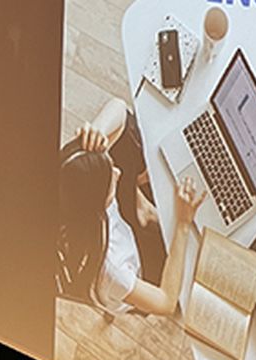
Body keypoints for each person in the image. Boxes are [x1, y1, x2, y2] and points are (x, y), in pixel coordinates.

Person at [59, 97, 204, 316]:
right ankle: (145, 213)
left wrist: (97, 131)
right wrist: (183, 224)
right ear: (99, 204)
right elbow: (165, 303)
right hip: (140, 267)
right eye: (110, 177)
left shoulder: (71, 186)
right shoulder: (113, 270)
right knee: (191, 275)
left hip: (116, 226)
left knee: (126, 133)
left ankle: (143, 212)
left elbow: (118, 108)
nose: (117, 172)